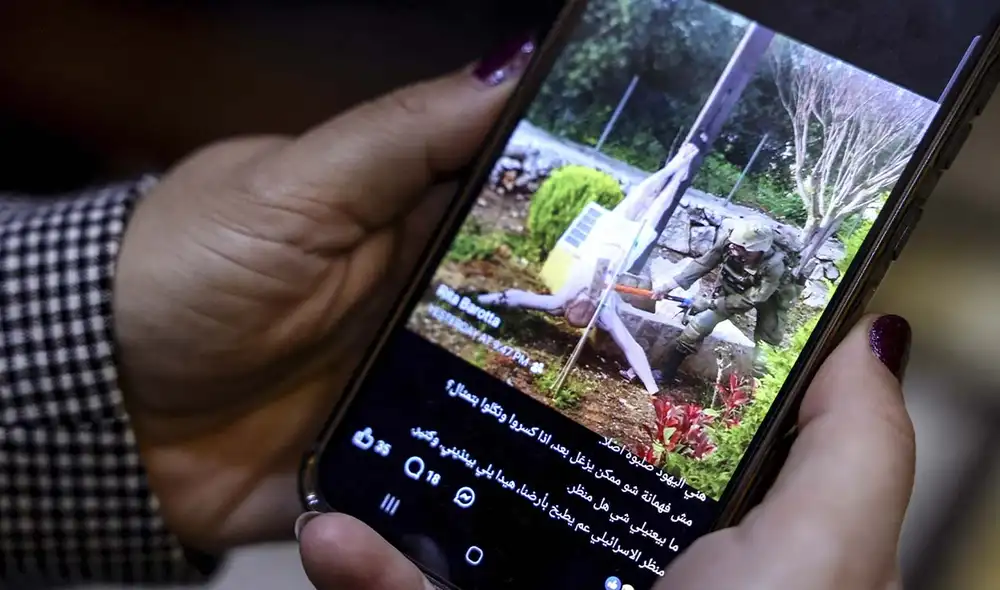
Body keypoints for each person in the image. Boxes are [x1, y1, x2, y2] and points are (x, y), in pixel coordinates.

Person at [0, 35, 914, 590]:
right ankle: (488, 301)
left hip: (602, 288)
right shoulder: (619, 220)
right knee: (548, 304)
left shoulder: (664, 240)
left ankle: (514, 313)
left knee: (604, 330)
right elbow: (638, 209)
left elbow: (658, 210)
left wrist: (682, 173)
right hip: (587, 280)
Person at [477, 142, 702, 395]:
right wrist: (652, 389)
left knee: (640, 195)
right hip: (625, 250)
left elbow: (519, 298)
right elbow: (632, 348)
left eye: (584, 301)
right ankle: (678, 176)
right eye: (589, 303)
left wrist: (485, 299)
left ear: (569, 305)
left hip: (602, 240)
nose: (588, 299)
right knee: (658, 208)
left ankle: (674, 165)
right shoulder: (604, 314)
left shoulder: (559, 301)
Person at [653, 218, 788, 385]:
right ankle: (666, 374)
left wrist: (711, 303)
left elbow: (751, 299)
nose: (733, 250)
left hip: (772, 296)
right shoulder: (729, 242)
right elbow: (703, 263)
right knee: (698, 325)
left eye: (741, 248)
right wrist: (669, 285)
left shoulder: (774, 267)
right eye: (734, 245)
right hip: (735, 285)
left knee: (767, 340)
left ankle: (760, 387)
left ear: (756, 251)